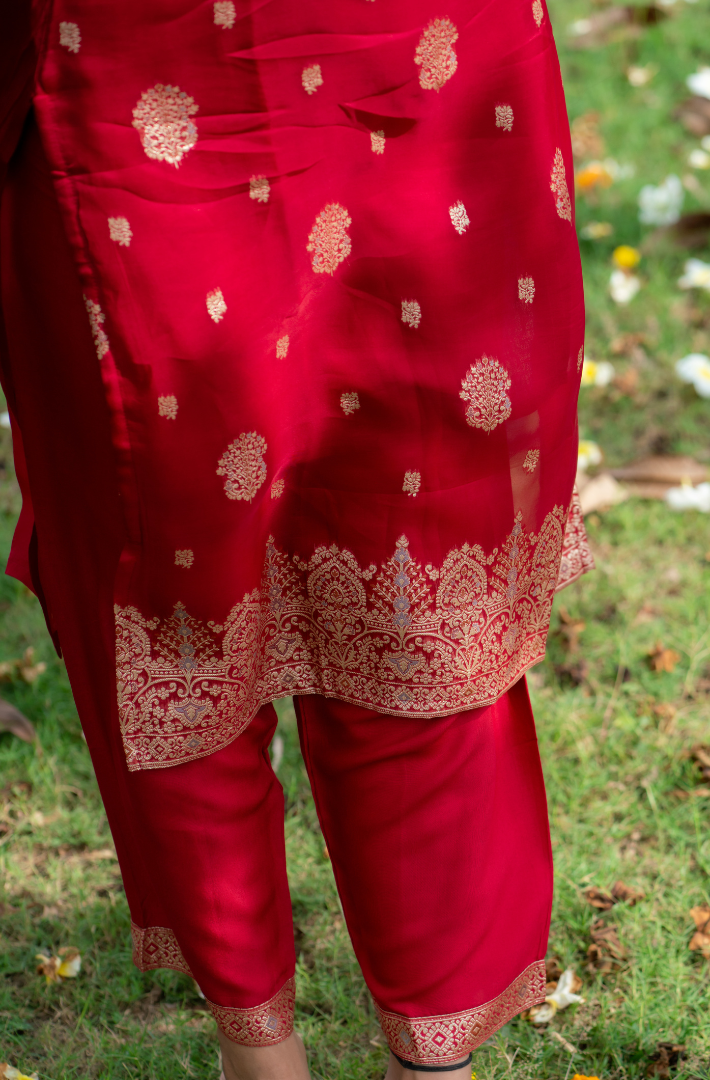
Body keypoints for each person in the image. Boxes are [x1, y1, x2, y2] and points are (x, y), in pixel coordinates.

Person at [0, 2, 589, 1077]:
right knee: (177, 579)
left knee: (419, 553)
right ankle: (262, 1056)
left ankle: (417, 1058)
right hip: (134, 92)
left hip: (407, 68)